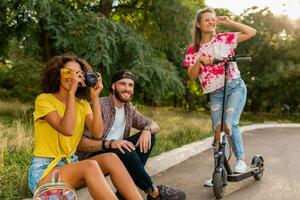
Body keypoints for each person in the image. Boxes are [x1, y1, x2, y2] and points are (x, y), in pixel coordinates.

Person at [28, 55, 143, 200]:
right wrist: (71, 93)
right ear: (58, 74)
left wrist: (94, 97)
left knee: (111, 158)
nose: (72, 77)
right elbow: (67, 129)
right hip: (45, 172)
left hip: (71, 165)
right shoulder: (44, 100)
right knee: (90, 165)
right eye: (67, 72)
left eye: (77, 74)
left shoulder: (82, 104)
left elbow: (98, 133)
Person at [76, 69, 186, 200]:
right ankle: (154, 193)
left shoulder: (128, 108)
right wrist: (110, 144)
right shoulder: (99, 105)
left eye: (130, 85)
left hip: (117, 153)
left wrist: (147, 130)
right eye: (122, 84)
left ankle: (123, 192)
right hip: (91, 158)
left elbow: (154, 125)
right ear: (113, 86)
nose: (127, 88)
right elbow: (81, 144)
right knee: (124, 149)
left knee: (148, 137)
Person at [183, 8, 256, 186]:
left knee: (229, 124)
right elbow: (191, 76)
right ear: (198, 24)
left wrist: (229, 22)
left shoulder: (225, 39)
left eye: (212, 19)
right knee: (217, 130)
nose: (210, 22)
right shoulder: (194, 50)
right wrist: (199, 60)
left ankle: (240, 160)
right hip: (215, 94)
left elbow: (251, 32)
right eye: (206, 20)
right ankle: (219, 170)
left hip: (234, 87)